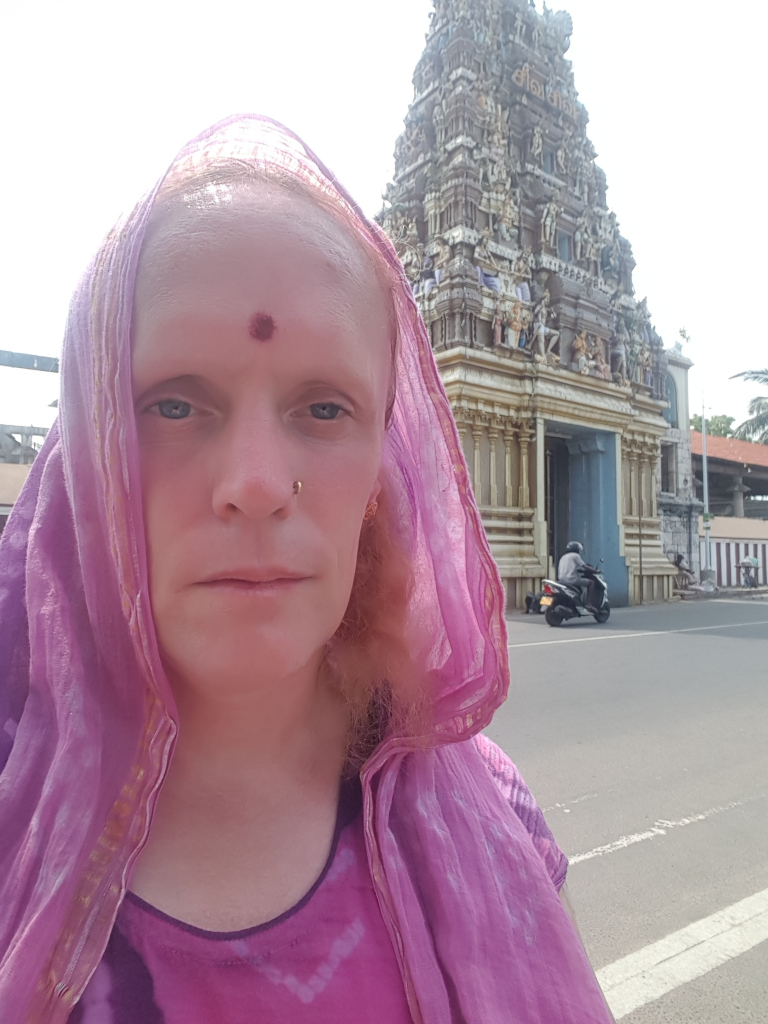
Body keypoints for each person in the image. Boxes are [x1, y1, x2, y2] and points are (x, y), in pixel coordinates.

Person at [0, 117, 614, 1023]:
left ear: (382, 473)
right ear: (85, 453)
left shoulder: (495, 820)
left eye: (325, 407)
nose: (255, 485)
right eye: (173, 404)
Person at [558, 540, 597, 610]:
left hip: (561, 579)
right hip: (571, 579)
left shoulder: (563, 557)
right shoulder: (576, 556)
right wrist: (595, 570)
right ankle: (588, 604)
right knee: (591, 583)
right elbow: (584, 566)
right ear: (576, 549)